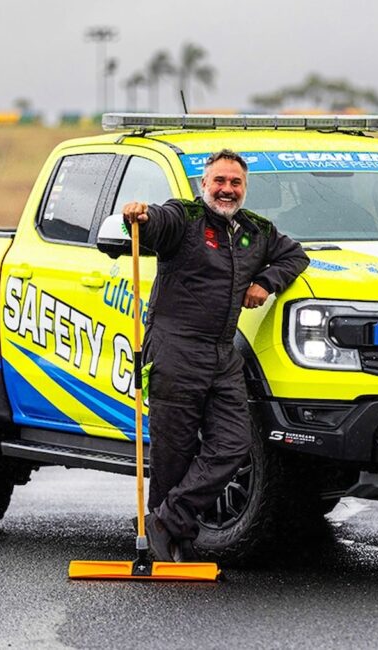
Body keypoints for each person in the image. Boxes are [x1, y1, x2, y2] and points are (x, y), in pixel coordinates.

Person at [122, 149, 310, 561]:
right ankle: (174, 541)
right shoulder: (184, 218)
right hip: (175, 350)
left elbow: (296, 255)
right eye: (219, 181)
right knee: (174, 450)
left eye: (235, 182)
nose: (227, 189)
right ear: (203, 185)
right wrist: (139, 215)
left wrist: (266, 280)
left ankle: (166, 519)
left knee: (233, 445)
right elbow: (156, 223)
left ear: (244, 187)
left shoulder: (255, 230)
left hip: (223, 355)